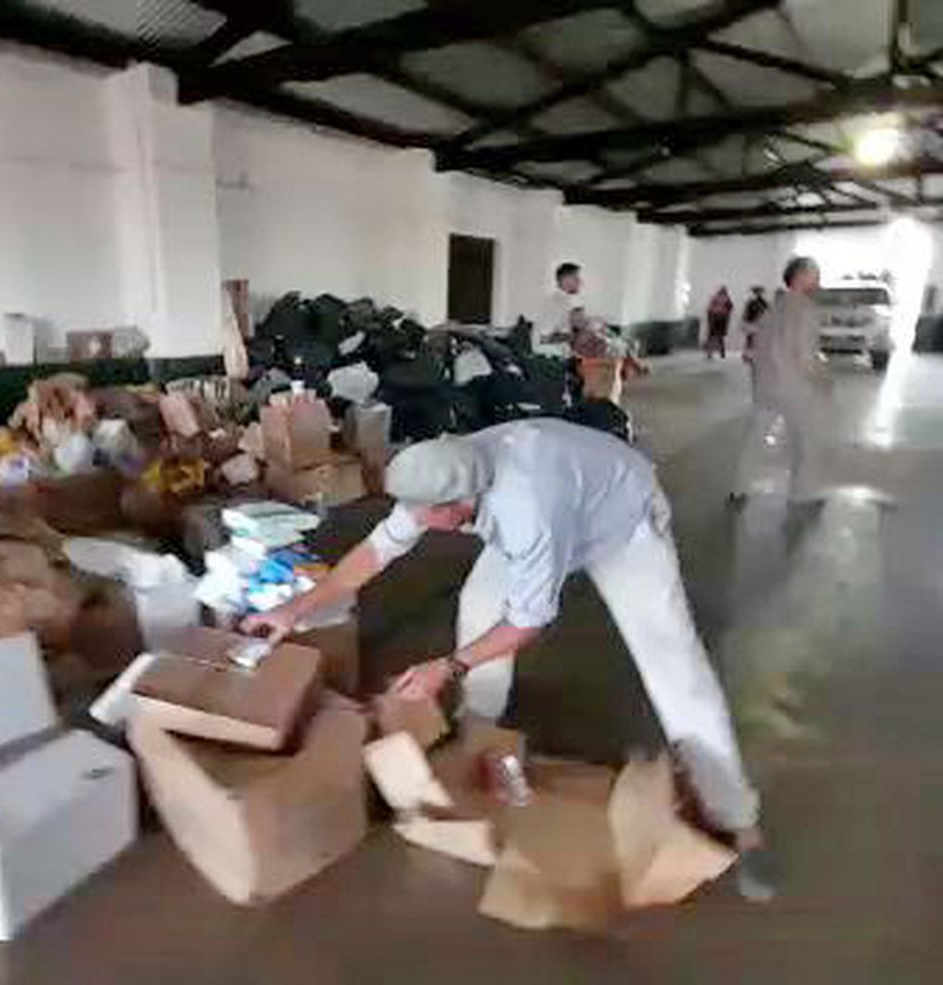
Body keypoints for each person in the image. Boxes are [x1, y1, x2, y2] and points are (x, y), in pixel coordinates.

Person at [243, 420, 774, 900]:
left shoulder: (529, 513)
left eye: (430, 515)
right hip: (560, 497)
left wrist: (447, 668)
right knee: (480, 606)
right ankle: (480, 734)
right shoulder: (442, 477)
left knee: (673, 665)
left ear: (461, 504)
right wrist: (297, 607)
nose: (418, 522)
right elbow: (377, 552)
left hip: (621, 523)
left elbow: (530, 622)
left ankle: (740, 822)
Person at [732, 258, 827, 504]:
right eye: (814, 273)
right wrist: (818, 379)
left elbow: (757, 343)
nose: (818, 278)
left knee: (754, 438)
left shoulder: (773, 308)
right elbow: (805, 353)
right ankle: (802, 493)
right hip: (794, 387)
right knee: (804, 441)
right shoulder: (806, 309)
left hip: (767, 385)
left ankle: (738, 489)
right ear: (800, 276)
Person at [536, 262, 585, 356]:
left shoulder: (563, 301)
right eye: (576, 278)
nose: (580, 282)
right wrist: (573, 337)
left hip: (559, 353)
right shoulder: (557, 303)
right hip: (548, 358)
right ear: (565, 280)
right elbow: (544, 338)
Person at [706, 286, 734, 359]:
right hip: (721, 319)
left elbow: (709, 309)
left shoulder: (715, 298)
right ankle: (721, 353)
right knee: (720, 338)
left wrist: (710, 318)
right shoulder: (726, 299)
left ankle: (710, 353)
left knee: (712, 337)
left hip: (715, 318)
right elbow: (730, 308)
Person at [741, 286, 769, 358]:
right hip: (753, 323)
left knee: (755, 339)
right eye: (757, 292)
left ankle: (752, 354)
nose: (758, 294)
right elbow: (746, 313)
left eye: (759, 292)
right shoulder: (753, 303)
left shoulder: (764, 303)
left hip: (759, 323)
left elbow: (768, 313)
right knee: (751, 339)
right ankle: (747, 354)